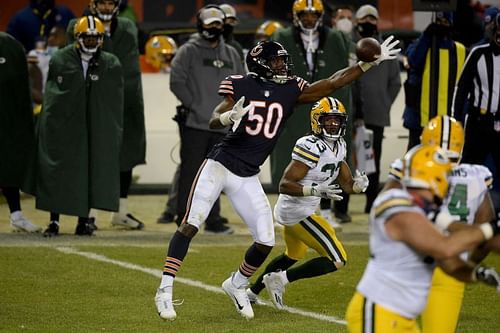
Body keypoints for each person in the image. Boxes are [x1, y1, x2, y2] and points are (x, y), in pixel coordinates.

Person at [154, 36, 401, 321]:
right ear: (261, 63)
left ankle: (235, 284)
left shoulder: (290, 91)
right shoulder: (242, 83)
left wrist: (366, 64)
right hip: (220, 165)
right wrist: (226, 118)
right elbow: (214, 117)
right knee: (191, 224)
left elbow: (333, 82)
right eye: (277, 60)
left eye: (284, 60)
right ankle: (165, 289)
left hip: (248, 174)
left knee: (266, 240)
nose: (283, 65)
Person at [345, 144, 500, 332]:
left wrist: (477, 273)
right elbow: (446, 247)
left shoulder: (426, 209)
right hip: (379, 313)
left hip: (402, 320)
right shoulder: (395, 203)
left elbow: (449, 263)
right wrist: (493, 226)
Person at [246, 97, 368, 309]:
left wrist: (357, 186)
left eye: (337, 120)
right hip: (297, 212)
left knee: (293, 255)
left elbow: (346, 182)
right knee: (337, 259)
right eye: (328, 120)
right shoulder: (310, 146)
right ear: (316, 121)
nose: (333, 124)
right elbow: (284, 184)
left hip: (299, 210)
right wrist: (314, 189)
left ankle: (252, 291)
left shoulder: (339, 145)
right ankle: (280, 280)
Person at [386, 115, 496, 333]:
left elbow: (386, 212)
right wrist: (467, 263)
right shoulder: (475, 176)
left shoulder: (407, 167)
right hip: (451, 268)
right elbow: (485, 231)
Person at [36, 15, 123, 236]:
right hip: (65, 125)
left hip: (94, 126)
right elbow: (53, 95)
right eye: (88, 37)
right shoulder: (61, 59)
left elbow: (112, 99)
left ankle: (83, 221)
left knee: (89, 171)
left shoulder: (110, 62)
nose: (92, 42)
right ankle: (54, 221)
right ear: (77, 37)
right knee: (59, 171)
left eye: (96, 38)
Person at [271, 0, 353, 227]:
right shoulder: (282, 36)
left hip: (327, 104)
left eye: (313, 14)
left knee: (328, 157)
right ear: (296, 15)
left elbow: (342, 74)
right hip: (295, 104)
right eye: (304, 14)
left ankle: (325, 210)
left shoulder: (336, 37)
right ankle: (285, 207)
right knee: (291, 156)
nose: (309, 18)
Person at [67, 0, 146, 230]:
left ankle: (120, 211)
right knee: (93, 155)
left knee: (127, 153)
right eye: (102, 2)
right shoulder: (76, 25)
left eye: (111, 2)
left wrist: (129, 97)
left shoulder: (128, 27)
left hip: (126, 98)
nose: (106, 6)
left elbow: (131, 66)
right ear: (93, 4)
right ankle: (88, 213)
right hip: (93, 100)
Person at [168, 5, 244, 233]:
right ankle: (184, 218)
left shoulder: (231, 53)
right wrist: (196, 106)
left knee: (216, 175)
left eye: (217, 23)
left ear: (223, 26)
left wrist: (231, 114)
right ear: (200, 24)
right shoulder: (187, 51)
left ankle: (213, 220)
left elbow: (242, 83)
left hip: (223, 125)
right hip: (195, 125)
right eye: (209, 23)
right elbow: (176, 81)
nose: (213, 27)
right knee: (190, 173)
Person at [352, 4, 401, 213]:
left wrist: (383, 103)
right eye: (364, 19)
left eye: (372, 19)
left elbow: (395, 83)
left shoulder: (386, 50)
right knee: (345, 159)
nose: (368, 23)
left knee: (372, 160)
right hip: (348, 114)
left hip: (376, 115)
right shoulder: (348, 45)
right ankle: (341, 205)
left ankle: (371, 203)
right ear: (357, 22)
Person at [452, 13, 500, 209]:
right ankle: (460, 209)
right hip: (479, 121)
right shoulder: (478, 53)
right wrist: (456, 119)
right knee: (468, 167)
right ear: (493, 30)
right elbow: (461, 88)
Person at [403, 11, 466, 150]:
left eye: (445, 22)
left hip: (448, 119)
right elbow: (413, 61)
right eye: (438, 22)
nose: (441, 26)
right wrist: (426, 37)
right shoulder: (421, 45)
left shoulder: (459, 50)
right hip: (418, 117)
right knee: (416, 158)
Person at [0, 32, 41, 233]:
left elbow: (22, 88)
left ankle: (16, 215)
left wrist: (26, 121)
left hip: (7, 119)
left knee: (9, 167)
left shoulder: (11, 45)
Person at [7, 0, 75, 52]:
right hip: (31, 66)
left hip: (61, 64)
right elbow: (10, 49)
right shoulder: (20, 19)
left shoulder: (64, 13)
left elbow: (77, 40)